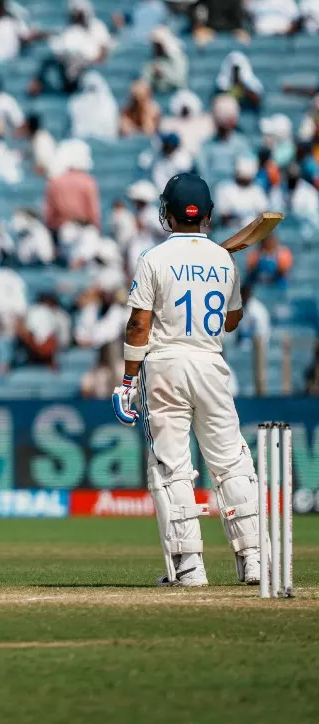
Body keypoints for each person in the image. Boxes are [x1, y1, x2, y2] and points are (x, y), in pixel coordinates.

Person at [113, 172, 260, 587]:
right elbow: (232, 321)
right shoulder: (223, 259)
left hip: (165, 366)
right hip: (211, 365)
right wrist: (222, 269)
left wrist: (127, 381)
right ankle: (254, 562)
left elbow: (138, 324)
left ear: (168, 214)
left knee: (172, 466)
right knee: (231, 463)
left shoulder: (154, 258)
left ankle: (189, 568)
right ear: (208, 214)